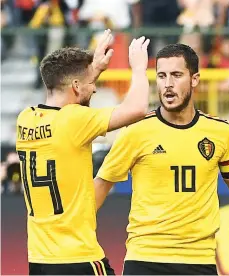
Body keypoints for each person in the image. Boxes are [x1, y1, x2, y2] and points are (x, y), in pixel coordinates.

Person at [94, 43, 229, 275]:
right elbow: (100, 187)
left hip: (198, 262)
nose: (168, 84)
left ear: (195, 79)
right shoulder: (135, 132)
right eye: (162, 76)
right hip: (145, 260)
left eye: (176, 75)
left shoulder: (220, 132)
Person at [15, 30, 151, 275]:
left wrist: (94, 70)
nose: (95, 88)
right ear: (76, 86)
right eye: (91, 83)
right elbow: (137, 108)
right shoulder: (74, 120)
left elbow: (73, 96)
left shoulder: (26, 118)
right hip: (78, 258)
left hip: (40, 259)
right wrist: (139, 68)